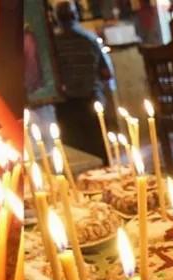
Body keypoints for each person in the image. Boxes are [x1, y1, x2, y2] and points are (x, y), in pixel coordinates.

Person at [52, 0, 114, 162]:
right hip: (91, 100)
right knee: (99, 149)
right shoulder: (90, 39)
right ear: (76, 15)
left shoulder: (52, 45)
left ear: (56, 18)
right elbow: (106, 73)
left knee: (76, 155)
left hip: (65, 105)